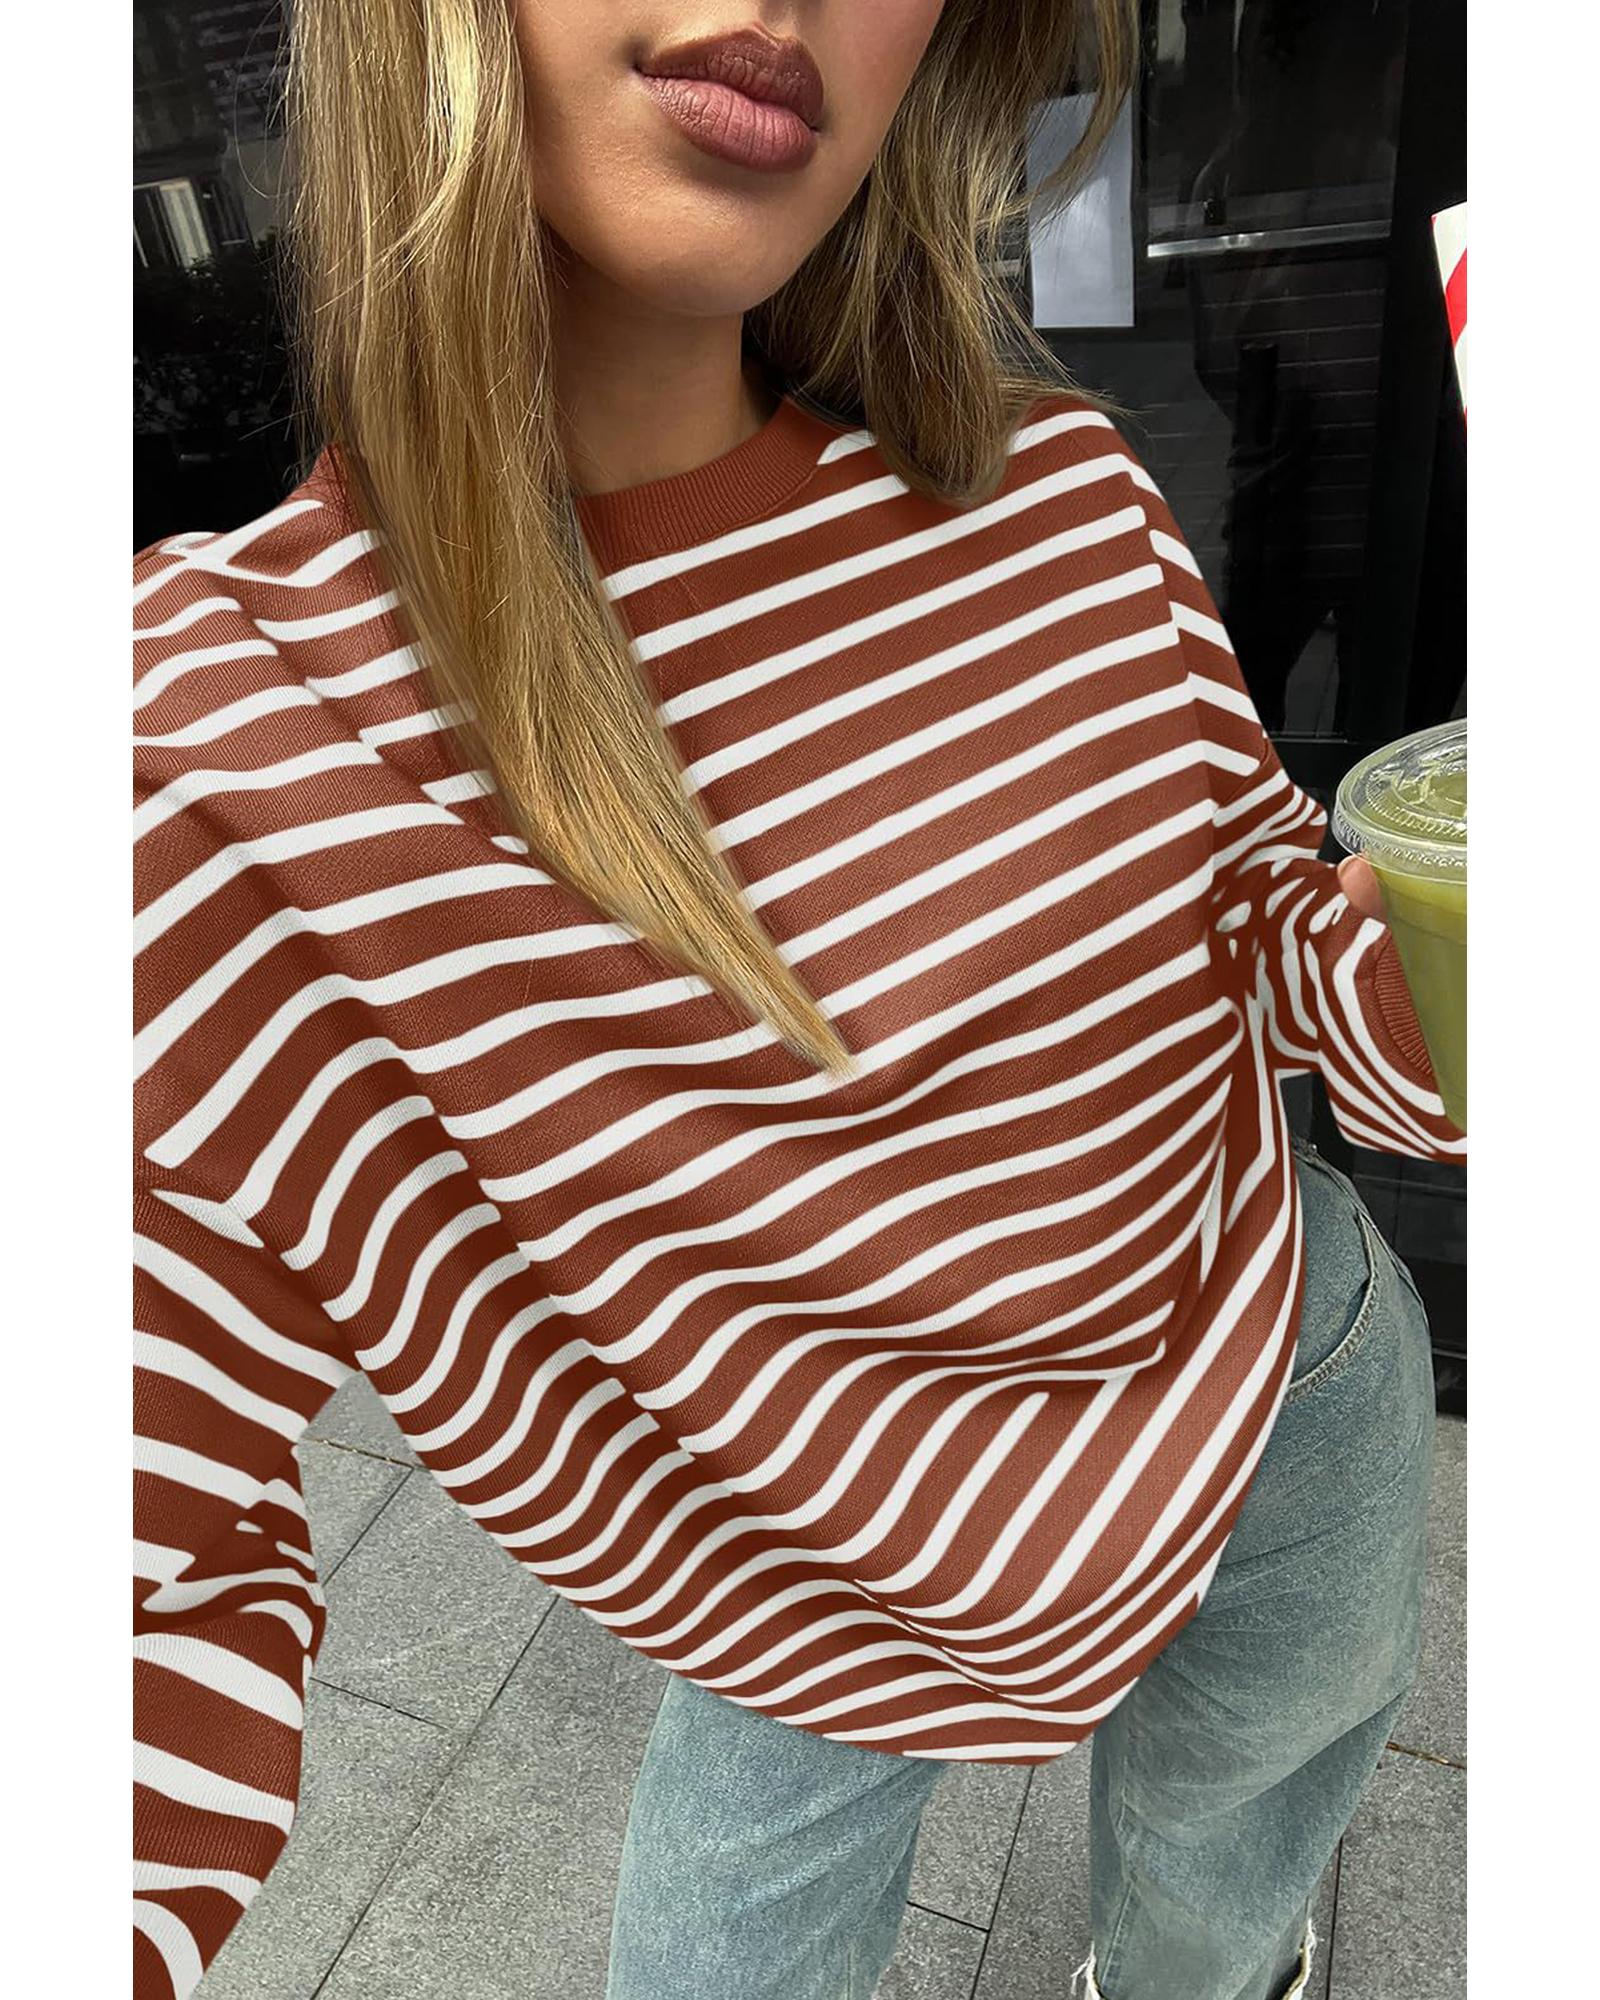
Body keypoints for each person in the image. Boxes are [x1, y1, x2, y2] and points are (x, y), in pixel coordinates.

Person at [131, 5, 1465, 1998]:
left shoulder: (1062, 497)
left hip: (1289, 1375)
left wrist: (1459, 957)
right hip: (812, 1577)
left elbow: (1267, 939)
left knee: (1233, 1864)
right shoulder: (225, 750)